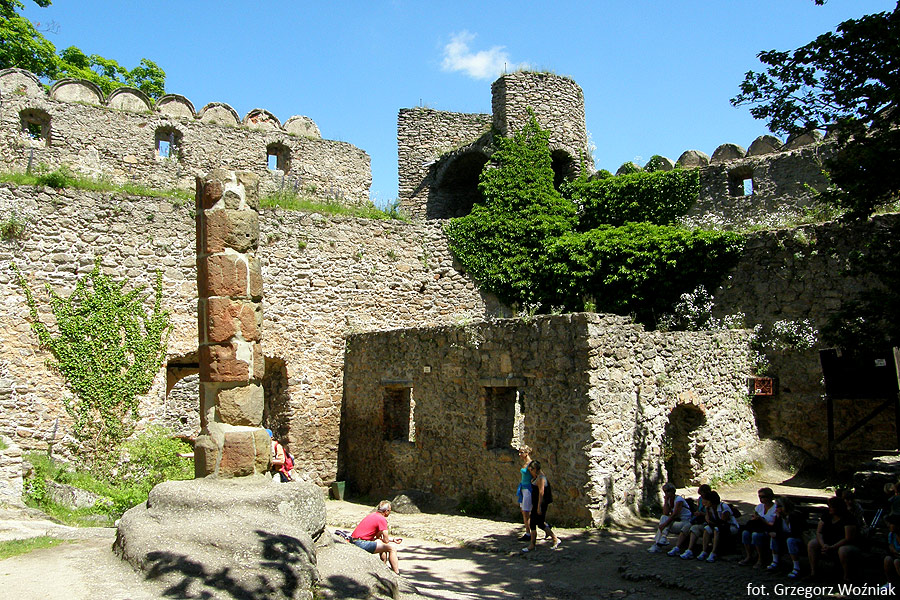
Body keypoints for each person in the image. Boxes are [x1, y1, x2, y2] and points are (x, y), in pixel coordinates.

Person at [807, 496, 860, 582]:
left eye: (832, 507)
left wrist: (833, 547)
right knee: (812, 544)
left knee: (843, 550)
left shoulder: (849, 518)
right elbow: (819, 532)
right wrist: (823, 545)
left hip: (844, 544)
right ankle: (813, 572)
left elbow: (848, 538)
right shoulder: (827, 515)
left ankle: (847, 577)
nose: (830, 509)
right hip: (828, 542)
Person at [350, 500, 401, 573]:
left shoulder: (372, 515)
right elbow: (386, 540)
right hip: (361, 543)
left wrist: (393, 539)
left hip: (354, 540)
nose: (390, 512)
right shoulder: (382, 519)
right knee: (392, 548)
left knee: (381, 543)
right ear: (386, 511)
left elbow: (379, 538)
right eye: (390, 510)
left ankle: (383, 566)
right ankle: (397, 573)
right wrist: (388, 541)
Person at [522, 460, 560, 552]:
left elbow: (541, 492)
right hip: (535, 503)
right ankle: (552, 539)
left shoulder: (541, 478)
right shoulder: (537, 477)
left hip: (540, 504)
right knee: (537, 523)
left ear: (535, 469)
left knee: (536, 523)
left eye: (531, 470)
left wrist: (539, 506)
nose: (530, 471)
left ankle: (535, 544)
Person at [669, 484, 712, 558]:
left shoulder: (710, 501)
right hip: (698, 519)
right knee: (686, 527)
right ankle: (677, 547)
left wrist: (702, 513)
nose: (701, 497)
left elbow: (711, 515)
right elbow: (698, 509)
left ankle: (690, 550)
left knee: (694, 529)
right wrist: (697, 513)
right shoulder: (700, 499)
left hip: (706, 522)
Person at [696, 491, 738, 563]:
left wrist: (712, 523)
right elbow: (708, 521)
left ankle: (714, 552)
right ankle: (704, 551)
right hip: (716, 525)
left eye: (706, 500)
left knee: (717, 529)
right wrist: (707, 512)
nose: (704, 502)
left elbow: (722, 521)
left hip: (730, 526)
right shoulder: (709, 508)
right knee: (707, 529)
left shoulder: (724, 507)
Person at [649, 483, 691, 553]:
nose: (666, 493)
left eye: (668, 491)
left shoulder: (679, 500)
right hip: (676, 522)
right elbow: (665, 513)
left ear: (673, 491)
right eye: (665, 491)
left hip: (684, 523)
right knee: (663, 518)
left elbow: (675, 515)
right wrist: (666, 501)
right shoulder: (669, 500)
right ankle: (661, 540)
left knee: (663, 524)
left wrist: (664, 525)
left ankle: (660, 541)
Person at [768, 496, 805, 578]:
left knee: (790, 540)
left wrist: (778, 535)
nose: (776, 509)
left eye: (778, 506)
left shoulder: (794, 515)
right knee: (774, 538)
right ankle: (775, 561)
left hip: (798, 539)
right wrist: (777, 519)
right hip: (785, 537)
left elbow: (795, 533)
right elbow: (775, 529)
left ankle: (796, 567)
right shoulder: (780, 517)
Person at [739, 487, 777, 567]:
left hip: (768, 529)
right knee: (745, 533)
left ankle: (760, 558)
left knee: (756, 535)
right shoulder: (759, 507)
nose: (761, 499)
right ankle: (749, 556)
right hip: (758, 527)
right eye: (759, 496)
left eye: (763, 497)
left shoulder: (775, 508)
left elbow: (774, 523)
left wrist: (762, 519)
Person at [516, 446, 533, 541]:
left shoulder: (531, 464)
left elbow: (536, 476)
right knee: (524, 511)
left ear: (527, 453)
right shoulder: (525, 463)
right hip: (523, 488)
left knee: (527, 512)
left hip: (528, 489)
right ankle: (528, 532)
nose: (519, 454)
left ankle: (529, 533)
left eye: (521, 452)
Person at [883, 515, 900, 590]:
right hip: (897, 556)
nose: (888, 526)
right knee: (888, 559)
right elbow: (892, 548)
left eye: (891, 524)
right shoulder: (891, 535)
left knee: (897, 562)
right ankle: (890, 583)